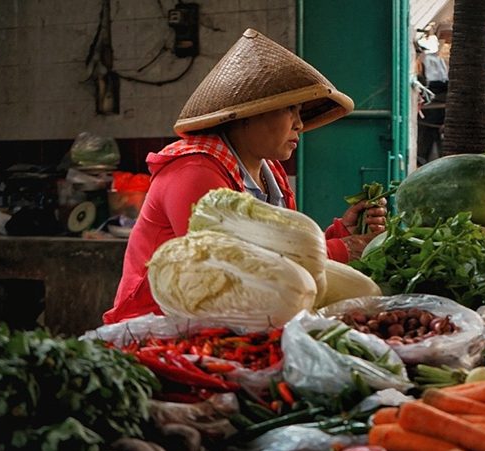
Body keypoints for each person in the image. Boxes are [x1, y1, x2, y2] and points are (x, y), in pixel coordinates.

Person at [104, 29, 386, 324]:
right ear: (249, 113)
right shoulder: (194, 171)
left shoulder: (270, 172)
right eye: (290, 109)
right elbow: (231, 267)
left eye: (300, 111)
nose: (300, 124)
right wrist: (343, 250)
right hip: (154, 325)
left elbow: (281, 255)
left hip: (224, 321)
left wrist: (340, 232)